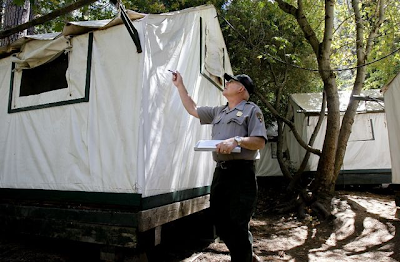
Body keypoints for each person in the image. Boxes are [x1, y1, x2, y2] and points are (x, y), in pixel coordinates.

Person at [172, 71, 267, 262]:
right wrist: (180, 86)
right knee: (220, 221)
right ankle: (247, 255)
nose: (226, 83)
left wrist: (237, 140)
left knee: (238, 223)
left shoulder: (252, 110)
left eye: (230, 81)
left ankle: (243, 258)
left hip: (242, 173)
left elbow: (259, 142)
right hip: (221, 173)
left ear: (241, 88)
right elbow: (193, 108)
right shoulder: (219, 111)